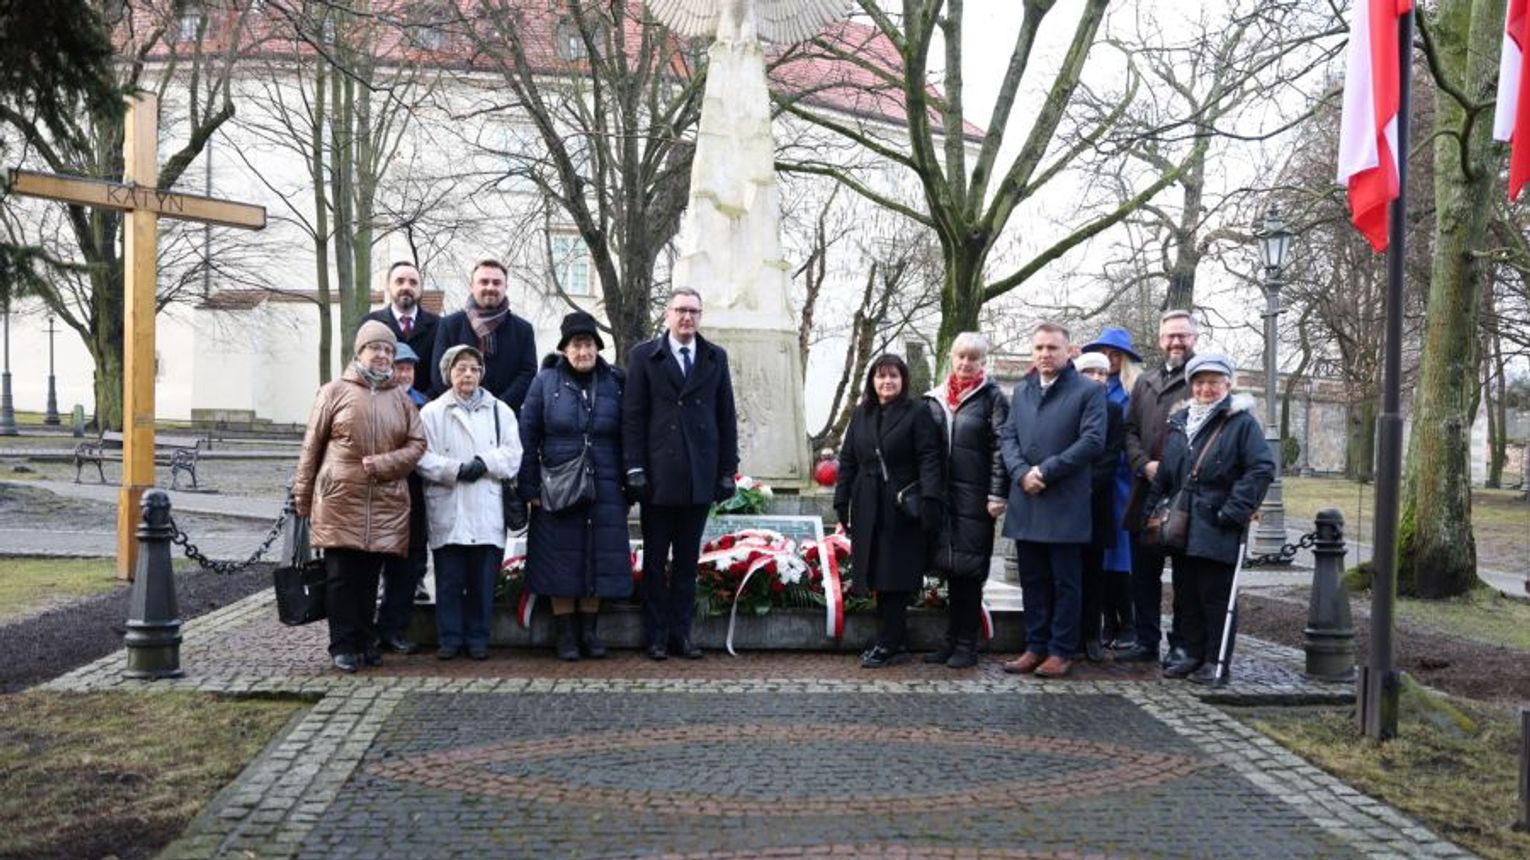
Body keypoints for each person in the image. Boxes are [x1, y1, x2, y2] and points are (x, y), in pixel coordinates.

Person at [292, 320, 426, 674]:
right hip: (341, 499)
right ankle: (343, 644)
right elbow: (311, 448)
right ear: (360, 351)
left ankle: (366, 639)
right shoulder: (334, 392)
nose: (382, 355)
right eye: (375, 348)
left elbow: (417, 444)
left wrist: (385, 463)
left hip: (385, 503)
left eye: (388, 350)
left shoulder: (400, 398)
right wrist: (302, 495)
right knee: (340, 577)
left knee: (370, 578)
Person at [622, 287, 739, 661]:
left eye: (694, 311)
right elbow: (633, 416)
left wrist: (727, 471)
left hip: (698, 475)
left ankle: (681, 635)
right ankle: (655, 636)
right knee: (655, 561)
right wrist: (635, 467)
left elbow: (726, 416)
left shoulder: (714, 357)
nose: (687, 318)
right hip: (657, 475)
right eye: (680, 311)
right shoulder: (644, 356)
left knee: (688, 562)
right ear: (667, 314)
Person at [1144, 352, 1274, 685]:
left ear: (1227, 384)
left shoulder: (1240, 422)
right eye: (1200, 382)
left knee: (1215, 598)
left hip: (1217, 524)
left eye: (1214, 382)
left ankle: (1216, 661)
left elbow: (1260, 469)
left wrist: (1232, 512)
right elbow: (1166, 474)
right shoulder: (1180, 422)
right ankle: (1190, 653)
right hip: (1183, 525)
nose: (1206, 388)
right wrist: (1151, 508)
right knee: (1186, 595)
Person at [518, 311, 630, 661]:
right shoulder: (544, 382)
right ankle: (565, 634)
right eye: (576, 345)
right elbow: (528, 435)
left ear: (597, 347)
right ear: (565, 349)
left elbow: (629, 435)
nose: (583, 351)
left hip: (606, 480)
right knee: (559, 558)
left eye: (589, 344)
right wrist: (529, 487)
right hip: (557, 483)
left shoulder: (616, 382)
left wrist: (629, 484)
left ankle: (590, 632)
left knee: (598, 555)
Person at [998, 323, 1105, 679]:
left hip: (1063, 500)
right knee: (1032, 580)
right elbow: (1008, 437)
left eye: (1052, 348)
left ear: (1069, 351)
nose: (1045, 354)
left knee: (1065, 582)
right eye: (1039, 347)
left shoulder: (1088, 391)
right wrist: (1020, 473)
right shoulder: (1023, 390)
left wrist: (1045, 471)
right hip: (1026, 499)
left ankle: (1061, 650)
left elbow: (1091, 441)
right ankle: (1035, 645)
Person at [835, 354, 944, 668]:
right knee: (875, 573)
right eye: (881, 376)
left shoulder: (917, 413)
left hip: (901, 504)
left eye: (893, 376)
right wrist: (842, 500)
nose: (887, 382)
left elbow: (928, 458)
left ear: (903, 380)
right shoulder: (861, 414)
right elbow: (847, 460)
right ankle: (891, 638)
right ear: (872, 381)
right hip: (868, 501)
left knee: (894, 575)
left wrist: (930, 500)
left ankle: (890, 642)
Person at [416, 344, 523, 661]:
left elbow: (513, 454)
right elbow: (421, 457)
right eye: (461, 368)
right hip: (449, 504)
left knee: (482, 581)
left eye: (474, 369)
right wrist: (454, 469)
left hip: (486, 507)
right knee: (449, 580)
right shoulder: (432, 412)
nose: (468, 374)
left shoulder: (500, 411)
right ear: (449, 373)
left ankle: (478, 638)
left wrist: (484, 462)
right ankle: (449, 638)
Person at [920, 333, 1008, 669]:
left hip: (976, 498)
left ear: (983, 362)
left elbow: (1001, 448)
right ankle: (949, 640)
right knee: (950, 570)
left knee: (970, 573)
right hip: (943, 497)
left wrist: (997, 493)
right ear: (951, 358)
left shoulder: (993, 398)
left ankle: (967, 644)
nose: (966, 363)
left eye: (973, 358)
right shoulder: (935, 399)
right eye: (961, 356)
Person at [1118, 310, 1198, 666]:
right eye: (1170, 336)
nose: (1176, 342)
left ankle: (1181, 643)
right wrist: (1142, 464)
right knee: (1143, 574)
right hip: (1145, 490)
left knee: (1184, 578)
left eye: (1183, 336)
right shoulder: (1145, 382)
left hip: (1183, 493)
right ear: (1160, 339)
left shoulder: (1202, 378)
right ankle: (1146, 639)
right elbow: (1129, 430)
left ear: (1194, 338)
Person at [1080, 326, 1142, 648]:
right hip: (1099, 481)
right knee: (1101, 555)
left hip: (1125, 481)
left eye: (1115, 355)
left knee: (1123, 556)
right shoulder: (1089, 387)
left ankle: (1127, 622)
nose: (1109, 360)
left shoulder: (1132, 391)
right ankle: (1105, 621)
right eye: (1103, 354)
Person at [374, 342, 430, 654]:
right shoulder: (375, 402)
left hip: (415, 496)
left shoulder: (424, 405)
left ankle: (395, 627)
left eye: (409, 368)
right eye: (399, 367)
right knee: (373, 566)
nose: (404, 373)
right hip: (381, 493)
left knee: (408, 567)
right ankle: (369, 628)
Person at [429, 259, 537, 412]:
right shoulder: (450, 325)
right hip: (456, 415)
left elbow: (527, 374)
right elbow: (439, 373)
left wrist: (496, 407)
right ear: (472, 286)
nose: (490, 287)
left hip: (504, 417)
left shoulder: (523, 330)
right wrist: (465, 405)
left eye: (497, 282)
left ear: (506, 287)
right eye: (484, 282)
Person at [1073, 351, 1124, 663]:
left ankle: (1091, 635)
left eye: (1102, 373)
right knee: (1065, 573)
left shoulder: (1113, 410)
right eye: (1090, 372)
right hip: (1063, 501)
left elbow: (1110, 455)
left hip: (1094, 500)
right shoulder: (1066, 404)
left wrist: (1083, 486)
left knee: (1093, 573)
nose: (1096, 378)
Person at [363, 261, 439, 401]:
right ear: (388, 286)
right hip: (380, 407)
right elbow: (363, 369)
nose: (406, 287)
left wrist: (423, 403)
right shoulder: (371, 324)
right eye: (400, 281)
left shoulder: (438, 325)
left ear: (420, 288)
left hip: (426, 409)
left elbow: (439, 375)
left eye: (413, 282)